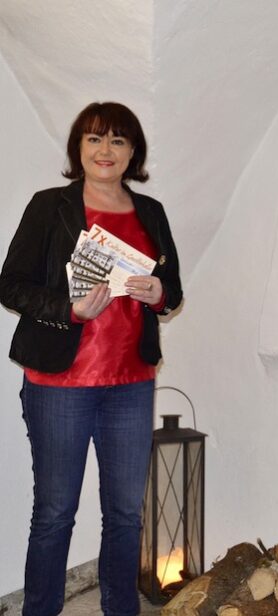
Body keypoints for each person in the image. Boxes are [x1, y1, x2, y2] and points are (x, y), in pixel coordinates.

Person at [0, 102, 182, 616]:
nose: (106, 151)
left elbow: (174, 292)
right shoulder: (48, 206)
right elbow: (10, 284)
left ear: (133, 153)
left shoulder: (151, 213)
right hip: (60, 383)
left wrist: (158, 294)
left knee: (126, 514)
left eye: (119, 141)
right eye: (95, 139)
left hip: (132, 381)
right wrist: (70, 309)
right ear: (78, 148)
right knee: (56, 513)